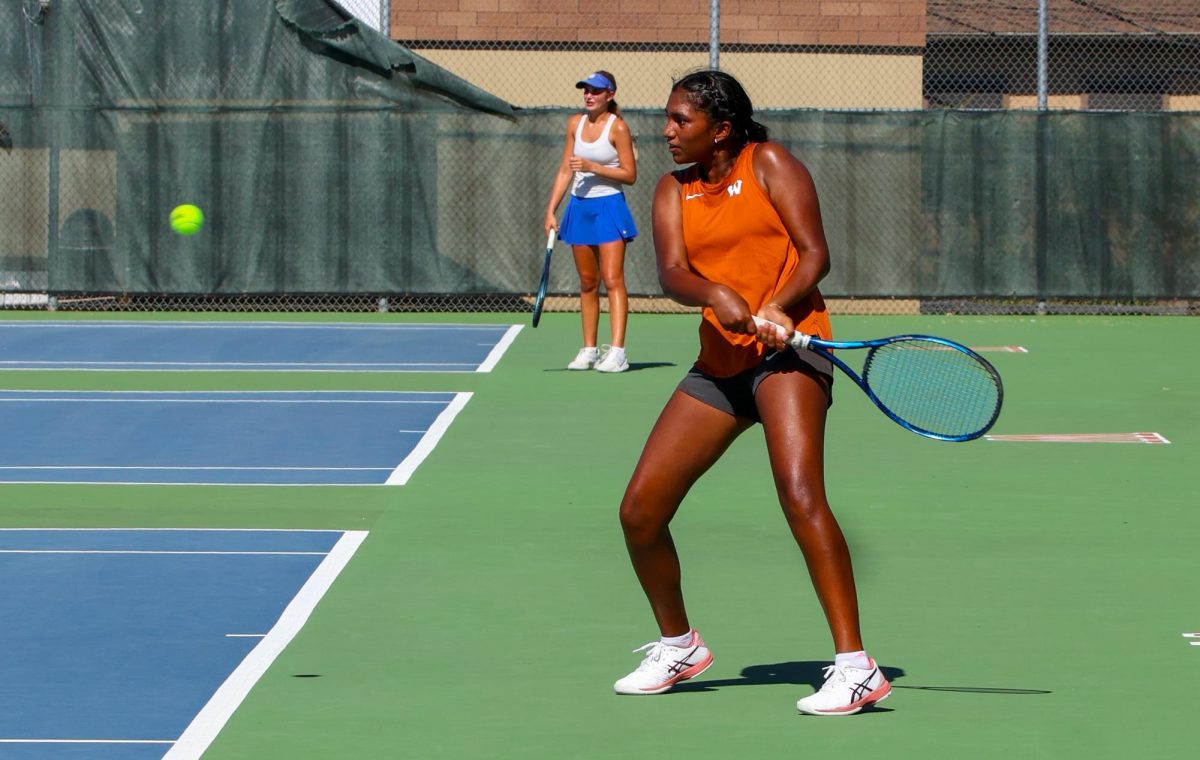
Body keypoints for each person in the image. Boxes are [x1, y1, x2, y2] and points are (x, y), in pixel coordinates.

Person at [612, 70, 890, 716]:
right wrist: (717, 295)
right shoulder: (671, 190)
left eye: (682, 120)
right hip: (719, 367)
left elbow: (814, 253)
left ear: (723, 128)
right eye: (669, 118)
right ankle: (679, 645)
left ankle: (857, 668)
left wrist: (779, 305)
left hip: (791, 356)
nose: (668, 131)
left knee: (799, 494)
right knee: (639, 512)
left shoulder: (770, 164)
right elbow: (675, 273)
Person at [543, 70, 638, 373]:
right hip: (579, 207)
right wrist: (550, 210)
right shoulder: (575, 123)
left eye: (595, 91)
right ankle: (588, 350)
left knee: (612, 279)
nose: (589, 95)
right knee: (587, 282)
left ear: (609, 95)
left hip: (609, 207)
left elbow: (630, 174)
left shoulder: (618, 127)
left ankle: (618, 352)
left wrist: (592, 166)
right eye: (585, 90)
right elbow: (564, 171)